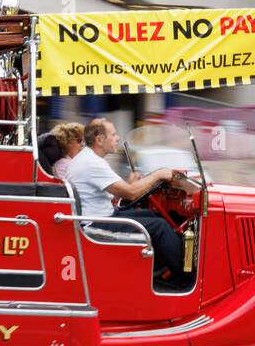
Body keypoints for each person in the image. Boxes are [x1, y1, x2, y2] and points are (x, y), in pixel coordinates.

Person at [66, 117, 183, 277]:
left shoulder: (89, 158)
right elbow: (131, 192)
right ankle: (184, 274)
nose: (118, 138)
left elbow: (118, 190)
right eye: (113, 134)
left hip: (101, 215)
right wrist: (159, 174)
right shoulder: (92, 163)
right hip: (95, 223)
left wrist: (130, 183)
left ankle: (157, 270)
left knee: (151, 215)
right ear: (100, 139)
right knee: (160, 226)